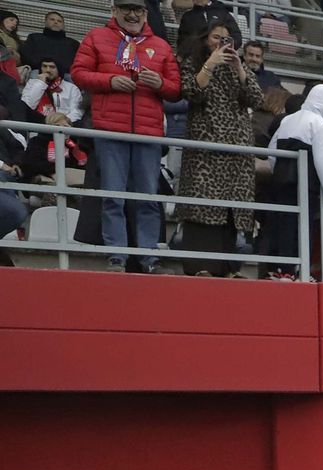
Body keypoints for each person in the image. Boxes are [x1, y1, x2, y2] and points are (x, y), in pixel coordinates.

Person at [72, 0, 181, 274]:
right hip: (110, 128)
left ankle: (148, 257)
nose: (132, 14)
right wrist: (109, 81)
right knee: (113, 196)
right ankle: (117, 255)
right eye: (125, 8)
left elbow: (176, 89)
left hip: (148, 133)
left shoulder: (163, 46)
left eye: (138, 10)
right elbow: (78, 73)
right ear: (114, 11)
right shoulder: (96, 37)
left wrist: (161, 84)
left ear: (146, 13)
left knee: (147, 197)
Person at [175, 21, 261, 277]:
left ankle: (227, 269)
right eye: (216, 37)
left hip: (238, 152)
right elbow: (191, 91)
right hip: (206, 152)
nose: (221, 43)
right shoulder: (194, 62)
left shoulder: (239, 66)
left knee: (231, 214)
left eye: (226, 39)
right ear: (204, 40)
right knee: (204, 211)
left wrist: (239, 68)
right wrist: (210, 64)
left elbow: (256, 98)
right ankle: (200, 268)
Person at [261, 83, 323, 279]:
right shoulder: (321, 126)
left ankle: (281, 270)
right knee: (303, 228)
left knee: (281, 225)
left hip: (281, 183)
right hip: (306, 185)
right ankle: (299, 272)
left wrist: (280, 173)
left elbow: (272, 152)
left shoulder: (287, 121)